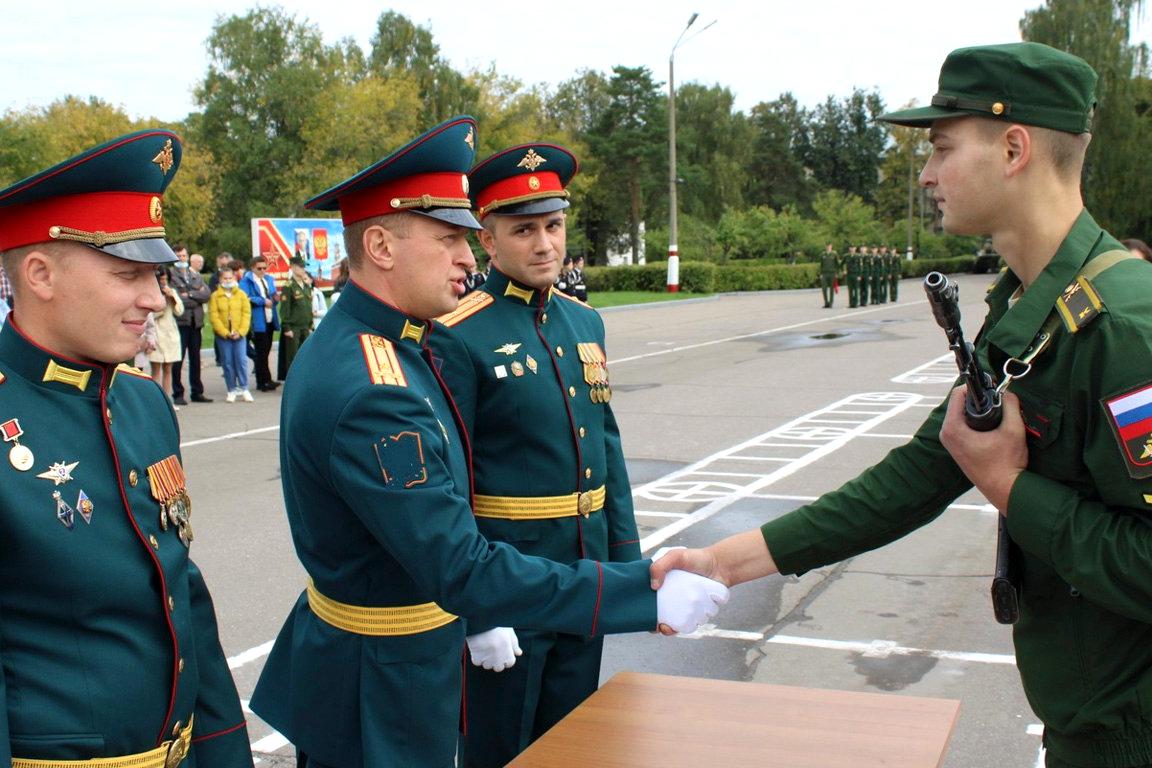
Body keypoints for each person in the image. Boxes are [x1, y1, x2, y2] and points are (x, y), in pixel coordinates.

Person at [653, 42, 1152, 768]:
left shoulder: (1122, 329)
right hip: (1088, 728)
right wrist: (724, 563)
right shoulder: (1028, 307)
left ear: (1013, 149)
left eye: (942, 148)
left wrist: (1011, 486)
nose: (927, 174)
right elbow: (915, 478)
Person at [248, 117, 728, 768]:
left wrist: (620, 564)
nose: (468, 260)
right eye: (450, 239)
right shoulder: (375, 385)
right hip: (383, 679)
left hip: (396, 661)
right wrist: (639, 592)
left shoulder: (391, 345)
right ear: (383, 246)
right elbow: (460, 564)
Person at [0, 129, 251, 764]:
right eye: (127, 273)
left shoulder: (139, 401)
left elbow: (180, 589)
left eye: (157, 273)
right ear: (39, 274)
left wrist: (222, 750)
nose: (155, 297)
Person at [431, 143, 635, 767]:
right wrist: (475, 614)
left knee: (575, 745)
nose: (545, 244)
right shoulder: (458, 331)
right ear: (487, 242)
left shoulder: (583, 322)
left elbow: (607, 447)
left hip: (586, 574)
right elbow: (450, 485)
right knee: (503, 749)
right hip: (511, 588)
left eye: (553, 225)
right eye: (524, 230)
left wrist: (627, 567)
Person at [169, 247, 212, 404]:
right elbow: (177, 299)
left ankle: (197, 391)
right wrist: (194, 296)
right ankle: (178, 393)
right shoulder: (171, 275)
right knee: (178, 360)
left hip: (196, 323)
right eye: (178, 255)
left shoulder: (194, 274)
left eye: (184, 255)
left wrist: (191, 294)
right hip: (181, 322)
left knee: (195, 358)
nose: (182, 258)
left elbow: (206, 294)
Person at [209, 265, 253, 402]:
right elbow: (214, 317)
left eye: (230, 278)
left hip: (239, 334)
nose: (228, 280)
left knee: (241, 361)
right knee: (227, 362)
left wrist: (240, 332)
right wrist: (225, 332)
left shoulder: (241, 294)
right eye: (225, 278)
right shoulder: (215, 296)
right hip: (223, 336)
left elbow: (246, 314)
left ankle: (244, 388)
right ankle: (231, 389)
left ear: (234, 278)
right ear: (220, 279)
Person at [239, 255, 280, 392]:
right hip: (257, 320)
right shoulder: (246, 281)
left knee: (267, 350)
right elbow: (245, 297)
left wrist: (275, 298)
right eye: (259, 268)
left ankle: (267, 379)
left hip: (269, 318)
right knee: (260, 352)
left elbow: (273, 294)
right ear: (252, 268)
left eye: (264, 268)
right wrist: (263, 301)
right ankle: (261, 382)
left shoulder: (268, 279)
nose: (262, 270)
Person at [147, 266, 185, 407]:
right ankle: (156, 401)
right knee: (156, 368)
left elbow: (180, 311)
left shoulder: (172, 291)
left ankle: (167, 400)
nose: (164, 282)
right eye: (161, 279)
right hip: (157, 333)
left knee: (168, 368)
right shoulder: (152, 293)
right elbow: (151, 315)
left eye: (166, 279)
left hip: (170, 333)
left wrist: (173, 297)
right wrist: (161, 303)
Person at [276, 255, 313, 379]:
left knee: (305, 357)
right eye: (300, 267)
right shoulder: (288, 286)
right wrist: (287, 328)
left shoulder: (306, 286)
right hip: (294, 328)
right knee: (293, 358)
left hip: (305, 327)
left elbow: (308, 307)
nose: (303, 269)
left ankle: (303, 380)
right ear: (292, 267)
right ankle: (292, 382)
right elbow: (285, 309)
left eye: (304, 267)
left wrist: (310, 325)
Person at [818, 242, 839, 308]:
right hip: (824, 274)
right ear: (825, 246)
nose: (828, 247)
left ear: (831, 246)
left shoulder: (834, 254)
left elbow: (837, 264)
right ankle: (826, 302)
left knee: (831, 289)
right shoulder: (822, 254)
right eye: (827, 246)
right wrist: (820, 274)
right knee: (824, 288)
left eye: (829, 246)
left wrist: (837, 273)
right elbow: (820, 265)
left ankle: (831, 303)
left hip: (832, 274)